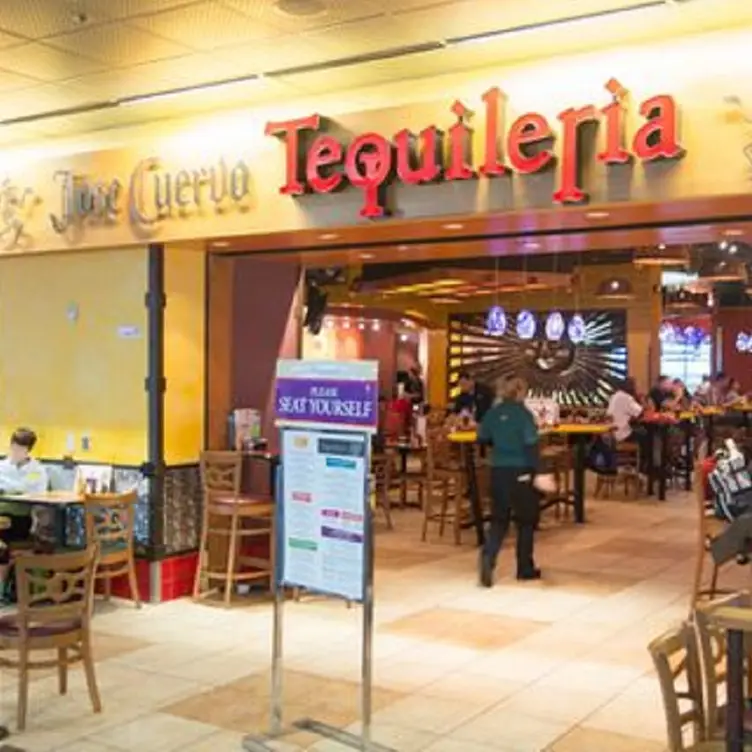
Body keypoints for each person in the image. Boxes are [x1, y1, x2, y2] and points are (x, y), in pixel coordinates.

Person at [477, 377, 541, 586]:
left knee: (499, 519)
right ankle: (525, 567)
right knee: (525, 521)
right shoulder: (523, 415)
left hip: (498, 469)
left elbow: (482, 436)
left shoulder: (493, 413)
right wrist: (538, 472)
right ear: (520, 391)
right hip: (520, 470)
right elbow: (531, 444)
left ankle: (488, 556)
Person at [0, 428, 48, 591]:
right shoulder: (2, 466)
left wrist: (10, 489)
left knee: (4, 538)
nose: (16, 452)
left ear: (29, 450)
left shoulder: (37, 470)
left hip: (20, 518)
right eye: (14, 447)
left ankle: (1, 588)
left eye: (21, 449)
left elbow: (38, 491)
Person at [607, 377, 644, 443]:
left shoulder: (615, 395)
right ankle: (645, 453)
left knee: (641, 431)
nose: (636, 388)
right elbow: (640, 413)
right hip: (622, 434)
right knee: (645, 433)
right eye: (635, 386)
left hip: (612, 432)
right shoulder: (626, 397)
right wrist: (640, 398)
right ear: (631, 387)